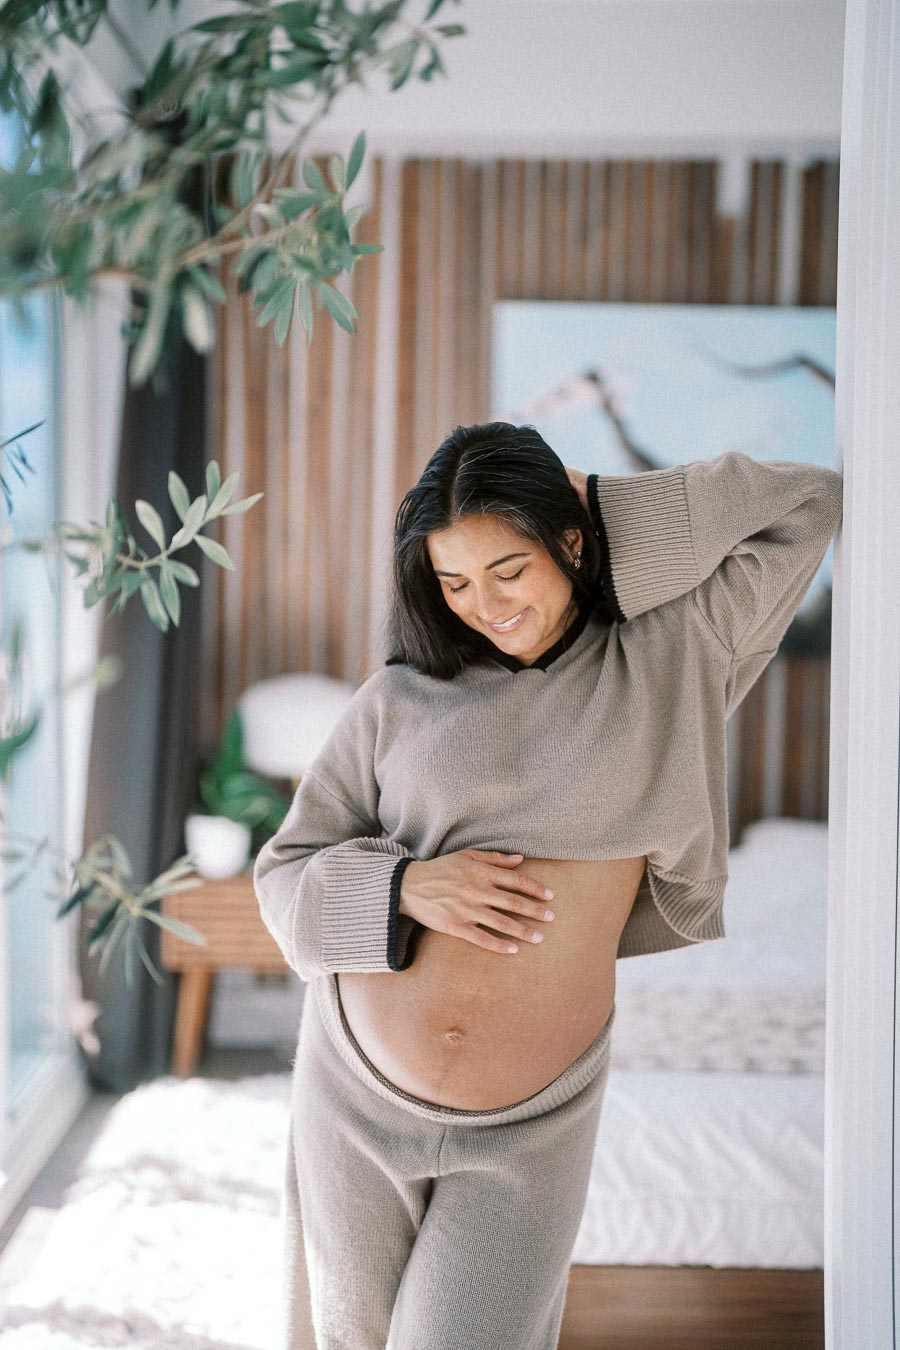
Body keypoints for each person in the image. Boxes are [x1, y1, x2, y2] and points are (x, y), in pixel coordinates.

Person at [253, 420, 843, 1350]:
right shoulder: (398, 700)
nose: (483, 605)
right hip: (352, 1095)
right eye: (453, 582)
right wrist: (405, 888)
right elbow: (283, 877)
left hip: (528, 1129)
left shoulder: (672, 659)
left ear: (568, 541)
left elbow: (809, 505)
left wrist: (596, 500)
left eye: (508, 569)